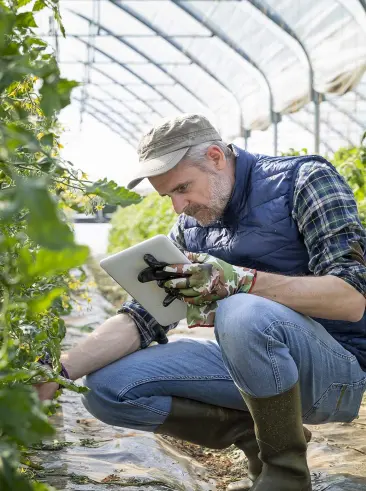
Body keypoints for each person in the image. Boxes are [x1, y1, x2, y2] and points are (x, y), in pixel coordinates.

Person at [37, 114, 366, 491]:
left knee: (241, 308)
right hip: (255, 367)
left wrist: (241, 281)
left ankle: (285, 474)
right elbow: (143, 318)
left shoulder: (303, 181)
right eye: (168, 196)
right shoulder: (190, 230)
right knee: (105, 387)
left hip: (336, 369)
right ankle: (261, 441)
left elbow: (352, 298)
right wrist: (58, 374)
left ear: (215, 156)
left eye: (183, 188)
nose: (178, 207)